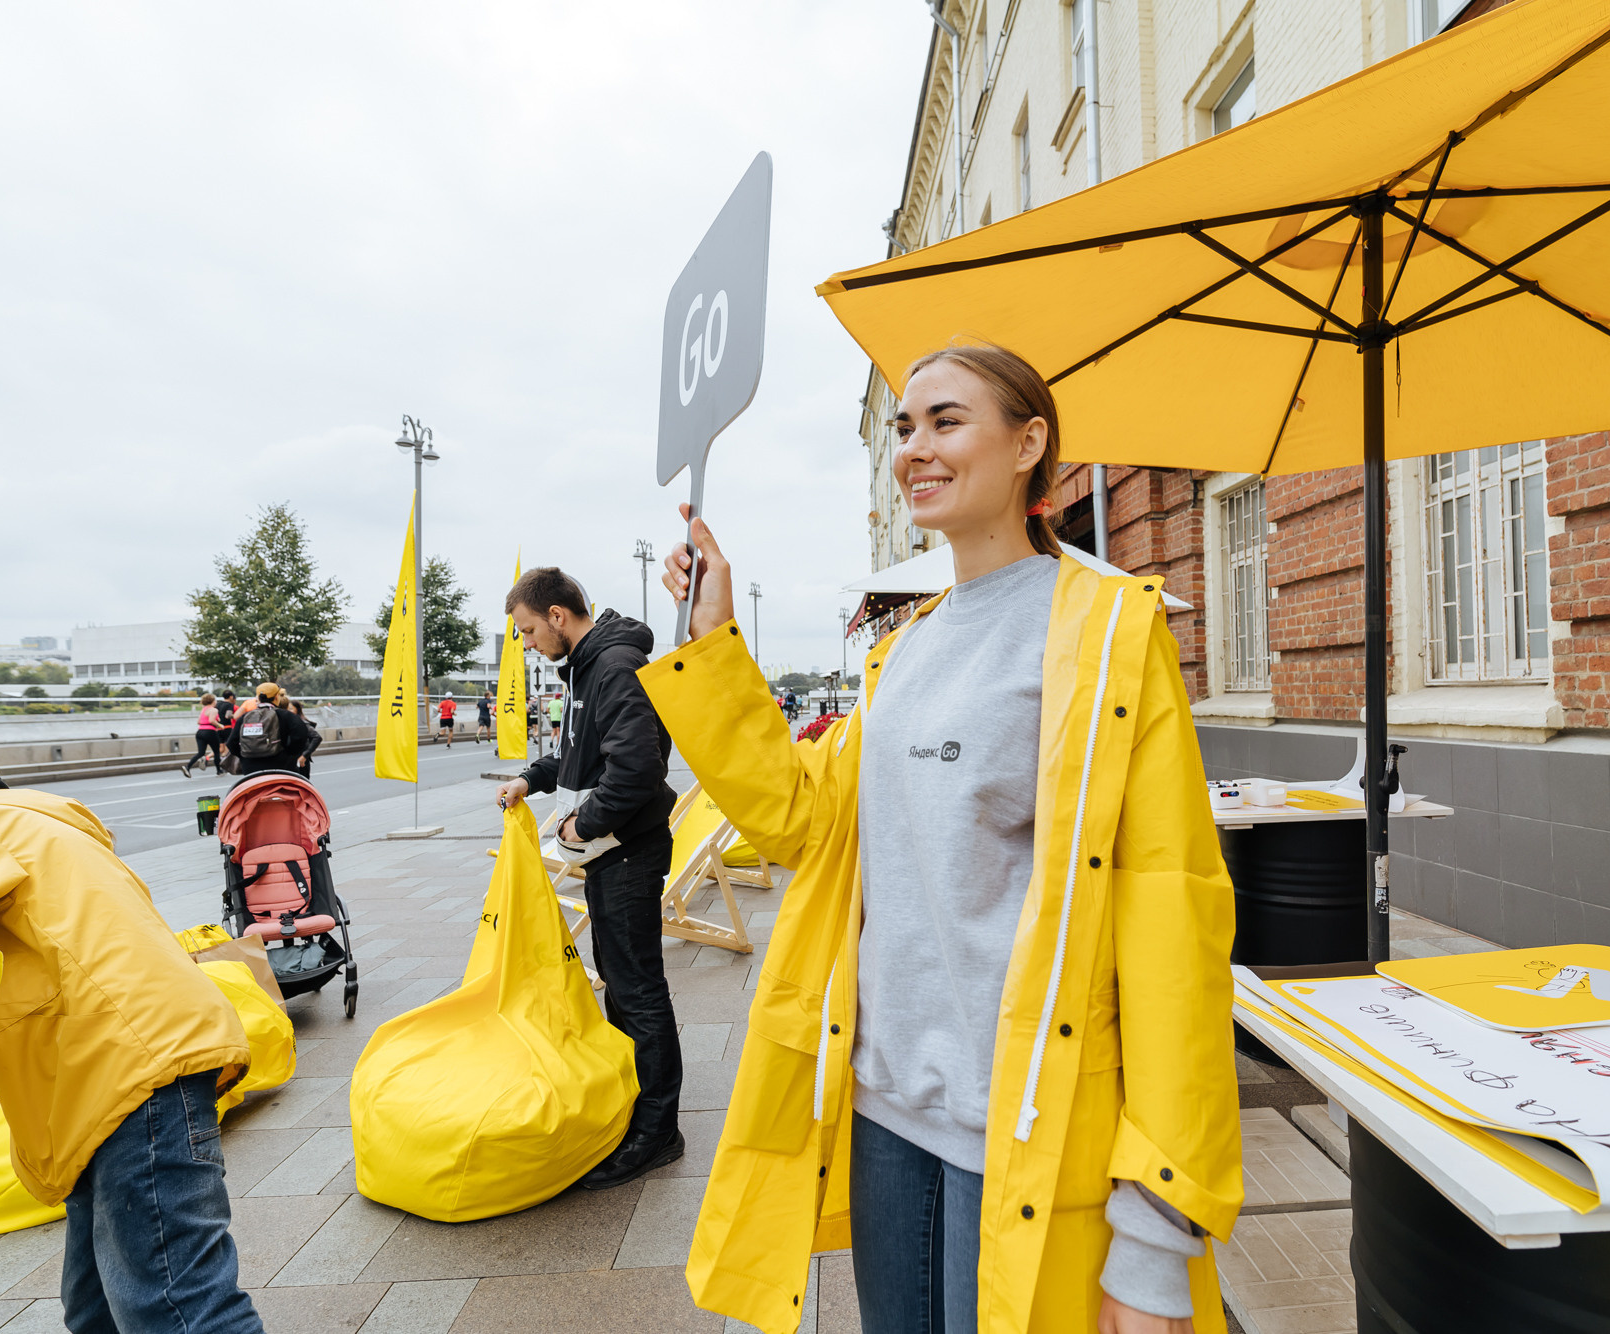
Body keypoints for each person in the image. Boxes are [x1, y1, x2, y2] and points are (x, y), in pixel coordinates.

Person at [652, 343, 1241, 1334]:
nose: (914, 448)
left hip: (1026, 1124)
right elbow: (806, 822)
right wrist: (712, 646)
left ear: (1028, 443)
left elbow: (1171, 918)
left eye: (945, 420)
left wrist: (1155, 1230)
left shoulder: (1106, 636)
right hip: (885, 1107)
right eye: (903, 425)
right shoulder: (901, 650)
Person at [0, 746, 265, 1333]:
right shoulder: (55, 835)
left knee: (175, 1306)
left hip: (124, 1069)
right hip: (122, 1069)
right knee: (97, 1310)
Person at [495, 567, 683, 1188]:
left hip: (625, 849)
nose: (524, 644)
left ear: (556, 615)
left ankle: (657, 1132)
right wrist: (534, 776)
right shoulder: (584, 666)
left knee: (638, 989)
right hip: (611, 851)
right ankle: (635, 1107)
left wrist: (583, 825)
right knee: (624, 985)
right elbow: (584, 752)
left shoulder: (613, 666)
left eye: (526, 630)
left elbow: (636, 767)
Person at [226, 683, 313, 778]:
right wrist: (288, 754)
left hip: (250, 769)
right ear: (276, 697)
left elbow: (231, 743)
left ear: (258, 697)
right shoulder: (286, 716)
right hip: (281, 766)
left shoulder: (245, 717)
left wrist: (246, 757)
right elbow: (300, 736)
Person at [184, 693, 225, 777]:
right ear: (213, 701)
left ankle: (187, 767)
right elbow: (211, 720)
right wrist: (220, 726)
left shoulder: (204, 709)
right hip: (210, 732)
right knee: (216, 751)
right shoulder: (214, 710)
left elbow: (198, 722)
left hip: (200, 732)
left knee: (201, 752)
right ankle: (218, 770)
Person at [288, 698, 324, 779]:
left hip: (301, 762)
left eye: (291, 708)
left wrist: (304, 755)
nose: (288, 711)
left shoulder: (302, 723)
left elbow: (317, 737)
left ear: (297, 710)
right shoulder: (290, 722)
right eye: (287, 709)